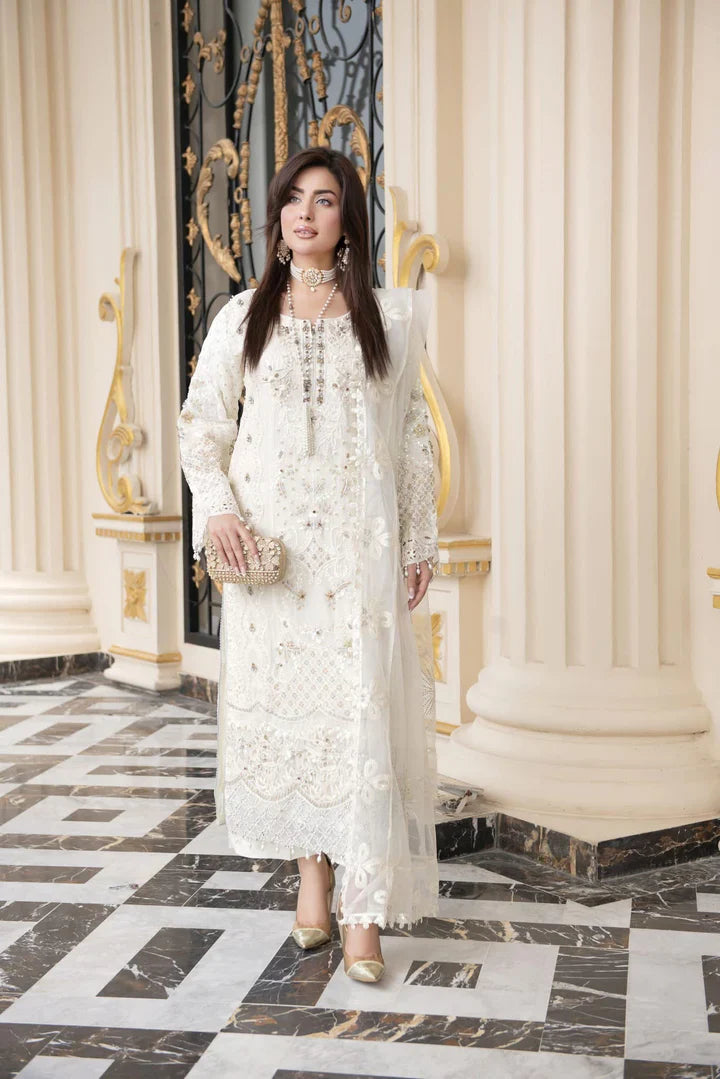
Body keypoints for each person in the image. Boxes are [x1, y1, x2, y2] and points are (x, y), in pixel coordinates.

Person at [177, 146, 439, 983]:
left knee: (360, 723)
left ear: (346, 219)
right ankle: (313, 879)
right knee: (298, 727)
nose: (305, 213)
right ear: (278, 216)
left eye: (324, 200)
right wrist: (218, 507)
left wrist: (419, 537)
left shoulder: (390, 318)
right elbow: (200, 425)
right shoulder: (242, 315)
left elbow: (412, 437)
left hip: (355, 560)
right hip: (274, 560)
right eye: (293, 199)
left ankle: (364, 915)